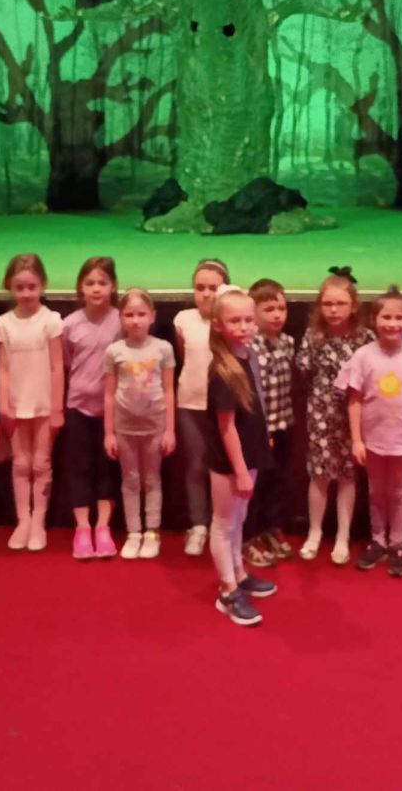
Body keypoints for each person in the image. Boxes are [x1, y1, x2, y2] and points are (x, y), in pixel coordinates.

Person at [338, 287, 402, 578]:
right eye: (386, 317)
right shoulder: (363, 356)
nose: (392, 324)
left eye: (399, 318)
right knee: (376, 491)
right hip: (372, 442)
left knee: (400, 492)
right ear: (374, 319)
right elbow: (354, 400)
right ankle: (378, 539)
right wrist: (357, 440)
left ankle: (397, 542)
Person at [205, 286, 276, 626]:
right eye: (235, 321)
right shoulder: (223, 370)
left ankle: (238, 573)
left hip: (249, 454)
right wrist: (241, 470)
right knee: (224, 524)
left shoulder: (247, 356)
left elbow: (254, 408)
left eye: (248, 319)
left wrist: (262, 441)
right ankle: (227, 590)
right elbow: (226, 427)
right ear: (218, 325)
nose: (244, 326)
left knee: (238, 520)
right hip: (229, 462)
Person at [296, 267, 375, 565]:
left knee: (347, 475)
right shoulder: (314, 336)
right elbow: (305, 371)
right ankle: (314, 532)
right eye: (327, 303)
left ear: (353, 306)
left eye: (340, 303)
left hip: (353, 416)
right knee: (319, 474)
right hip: (320, 413)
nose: (333, 309)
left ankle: (343, 535)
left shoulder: (365, 338)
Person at [0, 253, 64, 552]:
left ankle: (39, 521)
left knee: (41, 463)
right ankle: (23, 521)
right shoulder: (3, 323)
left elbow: (57, 367)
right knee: (21, 464)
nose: (25, 293)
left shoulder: (51, 320)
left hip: (44, 405)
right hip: (16, 404)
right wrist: (4, 404)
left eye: (31, 287)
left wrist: (57, 408)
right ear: (10, 287)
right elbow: (3, 368)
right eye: (19, 287)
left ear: (42, 285)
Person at [104, 288, 175, 559]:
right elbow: (109, 394)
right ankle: (133, 532)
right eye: (129, 315)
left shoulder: (163, 348)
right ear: (121, 318)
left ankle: (152, 532)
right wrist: (109, 433)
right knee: (130, 479)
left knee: (152, 479)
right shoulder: (114, 351)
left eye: (141, 314)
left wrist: (170, 430)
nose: (136, 320)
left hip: (155, 426)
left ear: (152, 316)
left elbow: (169, 390)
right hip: (124, 427)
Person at [62, 257, 122, 559]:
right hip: (78, 408)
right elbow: (67, 361)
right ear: (80, 288)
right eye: (90, 283)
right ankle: (83, 528)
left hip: (114, 411)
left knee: (107, 468)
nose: (96, 288)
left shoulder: (122, 321)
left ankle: (103, 527)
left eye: (102, 282)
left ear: (113, 286)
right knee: (80, 468)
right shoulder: (70, 324)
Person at [174, 258, 229, 555]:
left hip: (224, 408)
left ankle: (223, 524)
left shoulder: (231, 320)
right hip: (190, 404)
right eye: (200, 288)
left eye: (213, 288)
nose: (206, 294)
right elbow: (185, 358)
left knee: (223, 468)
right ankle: (198, 525)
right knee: (195, 465)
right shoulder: (183, 320)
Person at [242, 278, 295, 568]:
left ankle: (269, 528)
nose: (277, 315)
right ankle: (247, 536)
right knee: (255, 485)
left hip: (283, 424)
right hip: (259, 430)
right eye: (269, 309)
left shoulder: (288, 342)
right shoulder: (248, 346)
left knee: (277, 481)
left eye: (281, 309)